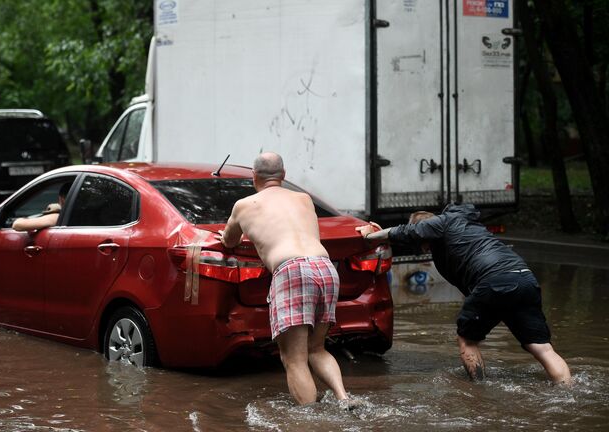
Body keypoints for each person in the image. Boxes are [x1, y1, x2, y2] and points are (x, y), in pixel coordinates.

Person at [359, 203, 571, 384]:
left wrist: (370, 237)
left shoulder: (443, 223)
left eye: (422, 241)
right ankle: (567, 392)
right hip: (524, 277)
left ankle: (478, 391)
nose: (422, 248)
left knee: (467, 340)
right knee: (542, 348)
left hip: (493, 280)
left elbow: (405, 232)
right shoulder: (465, 228)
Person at [217, 152, 354, 408]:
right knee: (317, 349)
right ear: (284, 175)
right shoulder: (304, 199)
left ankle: (309, 422)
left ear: (254, 177)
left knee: (294, 358)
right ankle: (344, 398)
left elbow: (228, 241)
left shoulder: (244, 205)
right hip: (325, 267)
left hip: (291, 270)